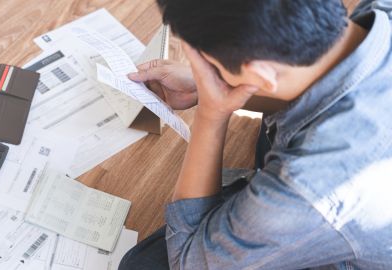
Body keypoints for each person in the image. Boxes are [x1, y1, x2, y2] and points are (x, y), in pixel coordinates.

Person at [119, 0, 392, 269]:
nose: (205, 73)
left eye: (209, 65)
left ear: (260, 74)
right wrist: (206, 84)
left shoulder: (307, 186)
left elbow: (188, 262)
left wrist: (212, 113)